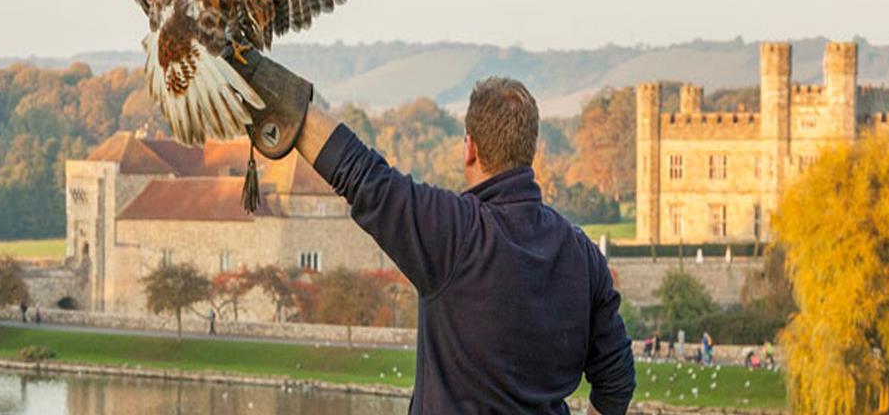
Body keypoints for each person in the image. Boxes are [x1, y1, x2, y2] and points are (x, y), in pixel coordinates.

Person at [236, 60, 635, 415]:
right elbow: (616, 379)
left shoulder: (457, 234)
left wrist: (273, 92)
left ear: (470, 148)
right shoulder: (582, 255)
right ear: (529, 149)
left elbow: (361, 176)